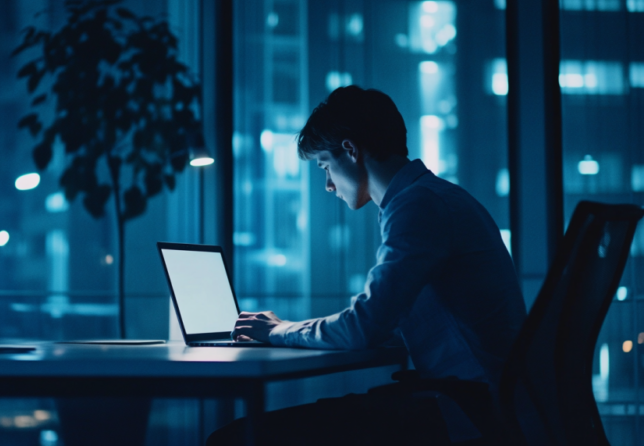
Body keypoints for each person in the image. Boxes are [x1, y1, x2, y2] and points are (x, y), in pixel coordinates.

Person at [207, 86, 527, 445]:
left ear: (350, 150)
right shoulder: (435, 199)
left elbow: (366, 327)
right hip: (482, 403)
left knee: (236, 439)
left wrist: (278, 331)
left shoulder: (418, 207)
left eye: (325, 166)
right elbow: (385, 322)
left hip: (471, 411)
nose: (328, 184)